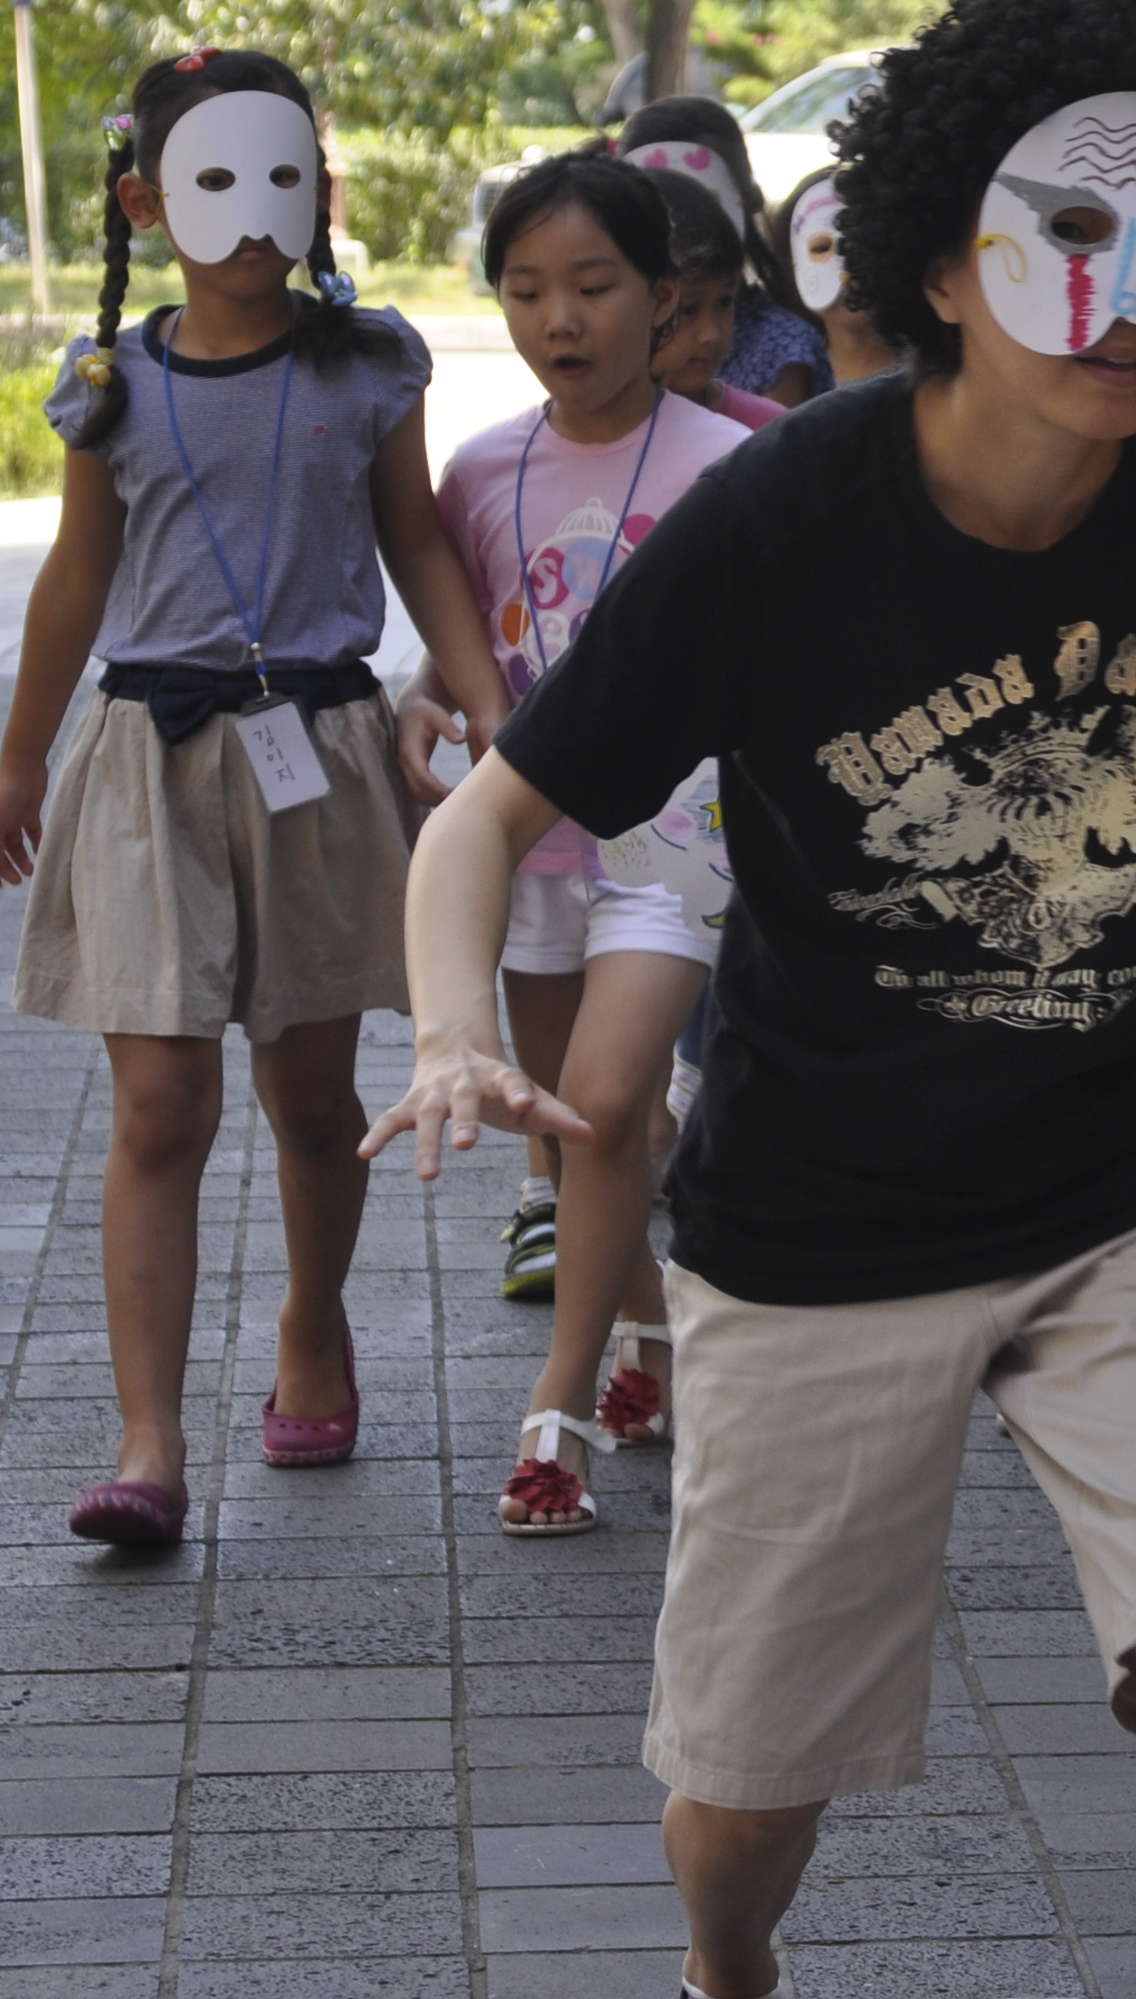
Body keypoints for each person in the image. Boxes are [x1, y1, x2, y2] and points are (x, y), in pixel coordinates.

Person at [364, 0, 1136, 1999]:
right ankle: (727, 1965)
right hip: (819, 1224)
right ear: (941, 260)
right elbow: (486, 817)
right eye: (1067, 231)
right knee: (744, 1809)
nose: (1128, 295)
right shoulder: (785, 510)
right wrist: (464, 1027)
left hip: (1125, 1190)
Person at [0, 48, 509, 1549]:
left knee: (310, 1095)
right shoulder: (113, 385)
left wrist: (484, 694)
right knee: (160, 1103)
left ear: (319, 189)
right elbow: (77, 576)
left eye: (285, 176)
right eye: (215, 179)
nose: (256, 211)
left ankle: (311, 1326)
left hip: (318, 750)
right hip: (147, 758)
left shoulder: (367, 363)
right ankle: (149, 1444)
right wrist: (18, 758)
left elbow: (416, 540)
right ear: (146, 202)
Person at [423, 147, 754, 1525]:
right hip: (529, 847)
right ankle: (649, 1318)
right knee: (563, 1127)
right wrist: (427, 698)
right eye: (526, 290)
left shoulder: (736, 466)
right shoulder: (478, 469)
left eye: (596, 286)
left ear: (664, 296)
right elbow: (473, 636)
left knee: (610, 1100)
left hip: (677, 843)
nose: (560, 319)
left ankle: (554, 1403)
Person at [622, 93, 830, 407]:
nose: (687, 231)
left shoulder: (781, 351)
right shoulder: (605, 343)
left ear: (749, 201)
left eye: (703, 205)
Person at [653, 179, 789, 431]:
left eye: (725, 301)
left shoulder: (764, 429)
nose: (711, 334)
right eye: (689, 309)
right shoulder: (580, 433)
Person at [778, 166, 902, 386]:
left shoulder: (934, 371)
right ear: (791, 268)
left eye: (860, 243)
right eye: (821, 248)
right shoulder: (792, 382)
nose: (846, 269)